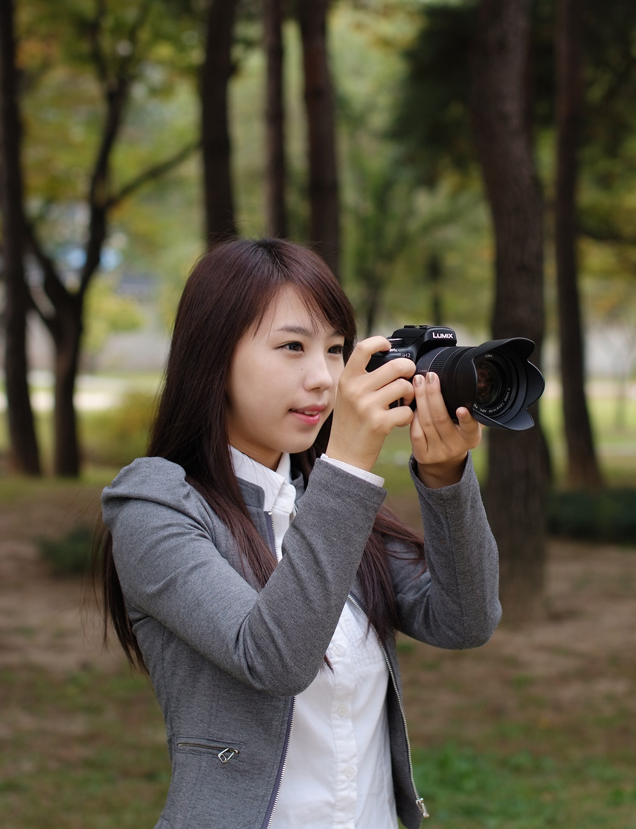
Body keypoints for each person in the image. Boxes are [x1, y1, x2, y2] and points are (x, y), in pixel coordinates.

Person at [99, 237, 501, 829]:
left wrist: (446, 477)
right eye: (292, 347)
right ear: (213, 357)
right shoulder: (154, 505)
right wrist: (348, 466)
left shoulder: (326, 498)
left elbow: (465, 619)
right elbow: (274, 660)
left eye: (336, 350)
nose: (323, 379)